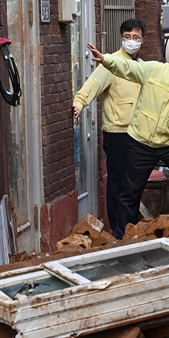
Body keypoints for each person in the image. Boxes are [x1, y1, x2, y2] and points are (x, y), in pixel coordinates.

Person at [87, 39, 169, 240]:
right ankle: (122, 236)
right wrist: (106, 60)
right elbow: (128, 67)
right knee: (131, 191)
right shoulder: (155, 69)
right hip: (140, 142)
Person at [72, 19, 146, 232]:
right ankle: (117, 230)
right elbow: (90, 87)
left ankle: (130, 226)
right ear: (121, 37)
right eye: (127, 37)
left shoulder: (142, 67)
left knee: (134, 184)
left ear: (143, 40)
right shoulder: (110, 63)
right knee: (118, 184)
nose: (131, 41)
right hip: (118, 134)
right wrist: (79, 104)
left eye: (136, 37)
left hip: (139, 135)